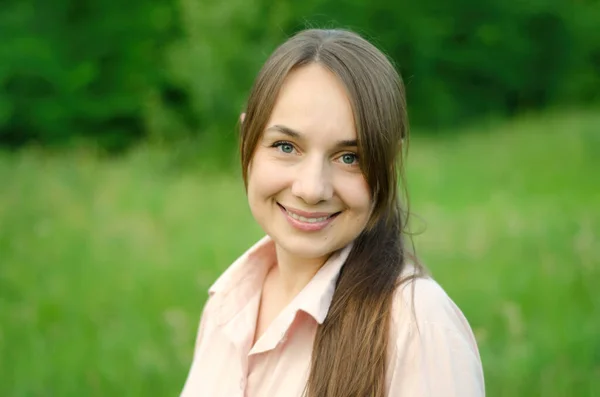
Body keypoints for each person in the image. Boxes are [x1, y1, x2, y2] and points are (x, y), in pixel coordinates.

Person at [180, 28, 485, 397]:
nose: (312, 189)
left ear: (387, 164)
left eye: (349, 157)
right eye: (286, 146)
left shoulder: (417, 325)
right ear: (247, 141)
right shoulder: (227, 304)